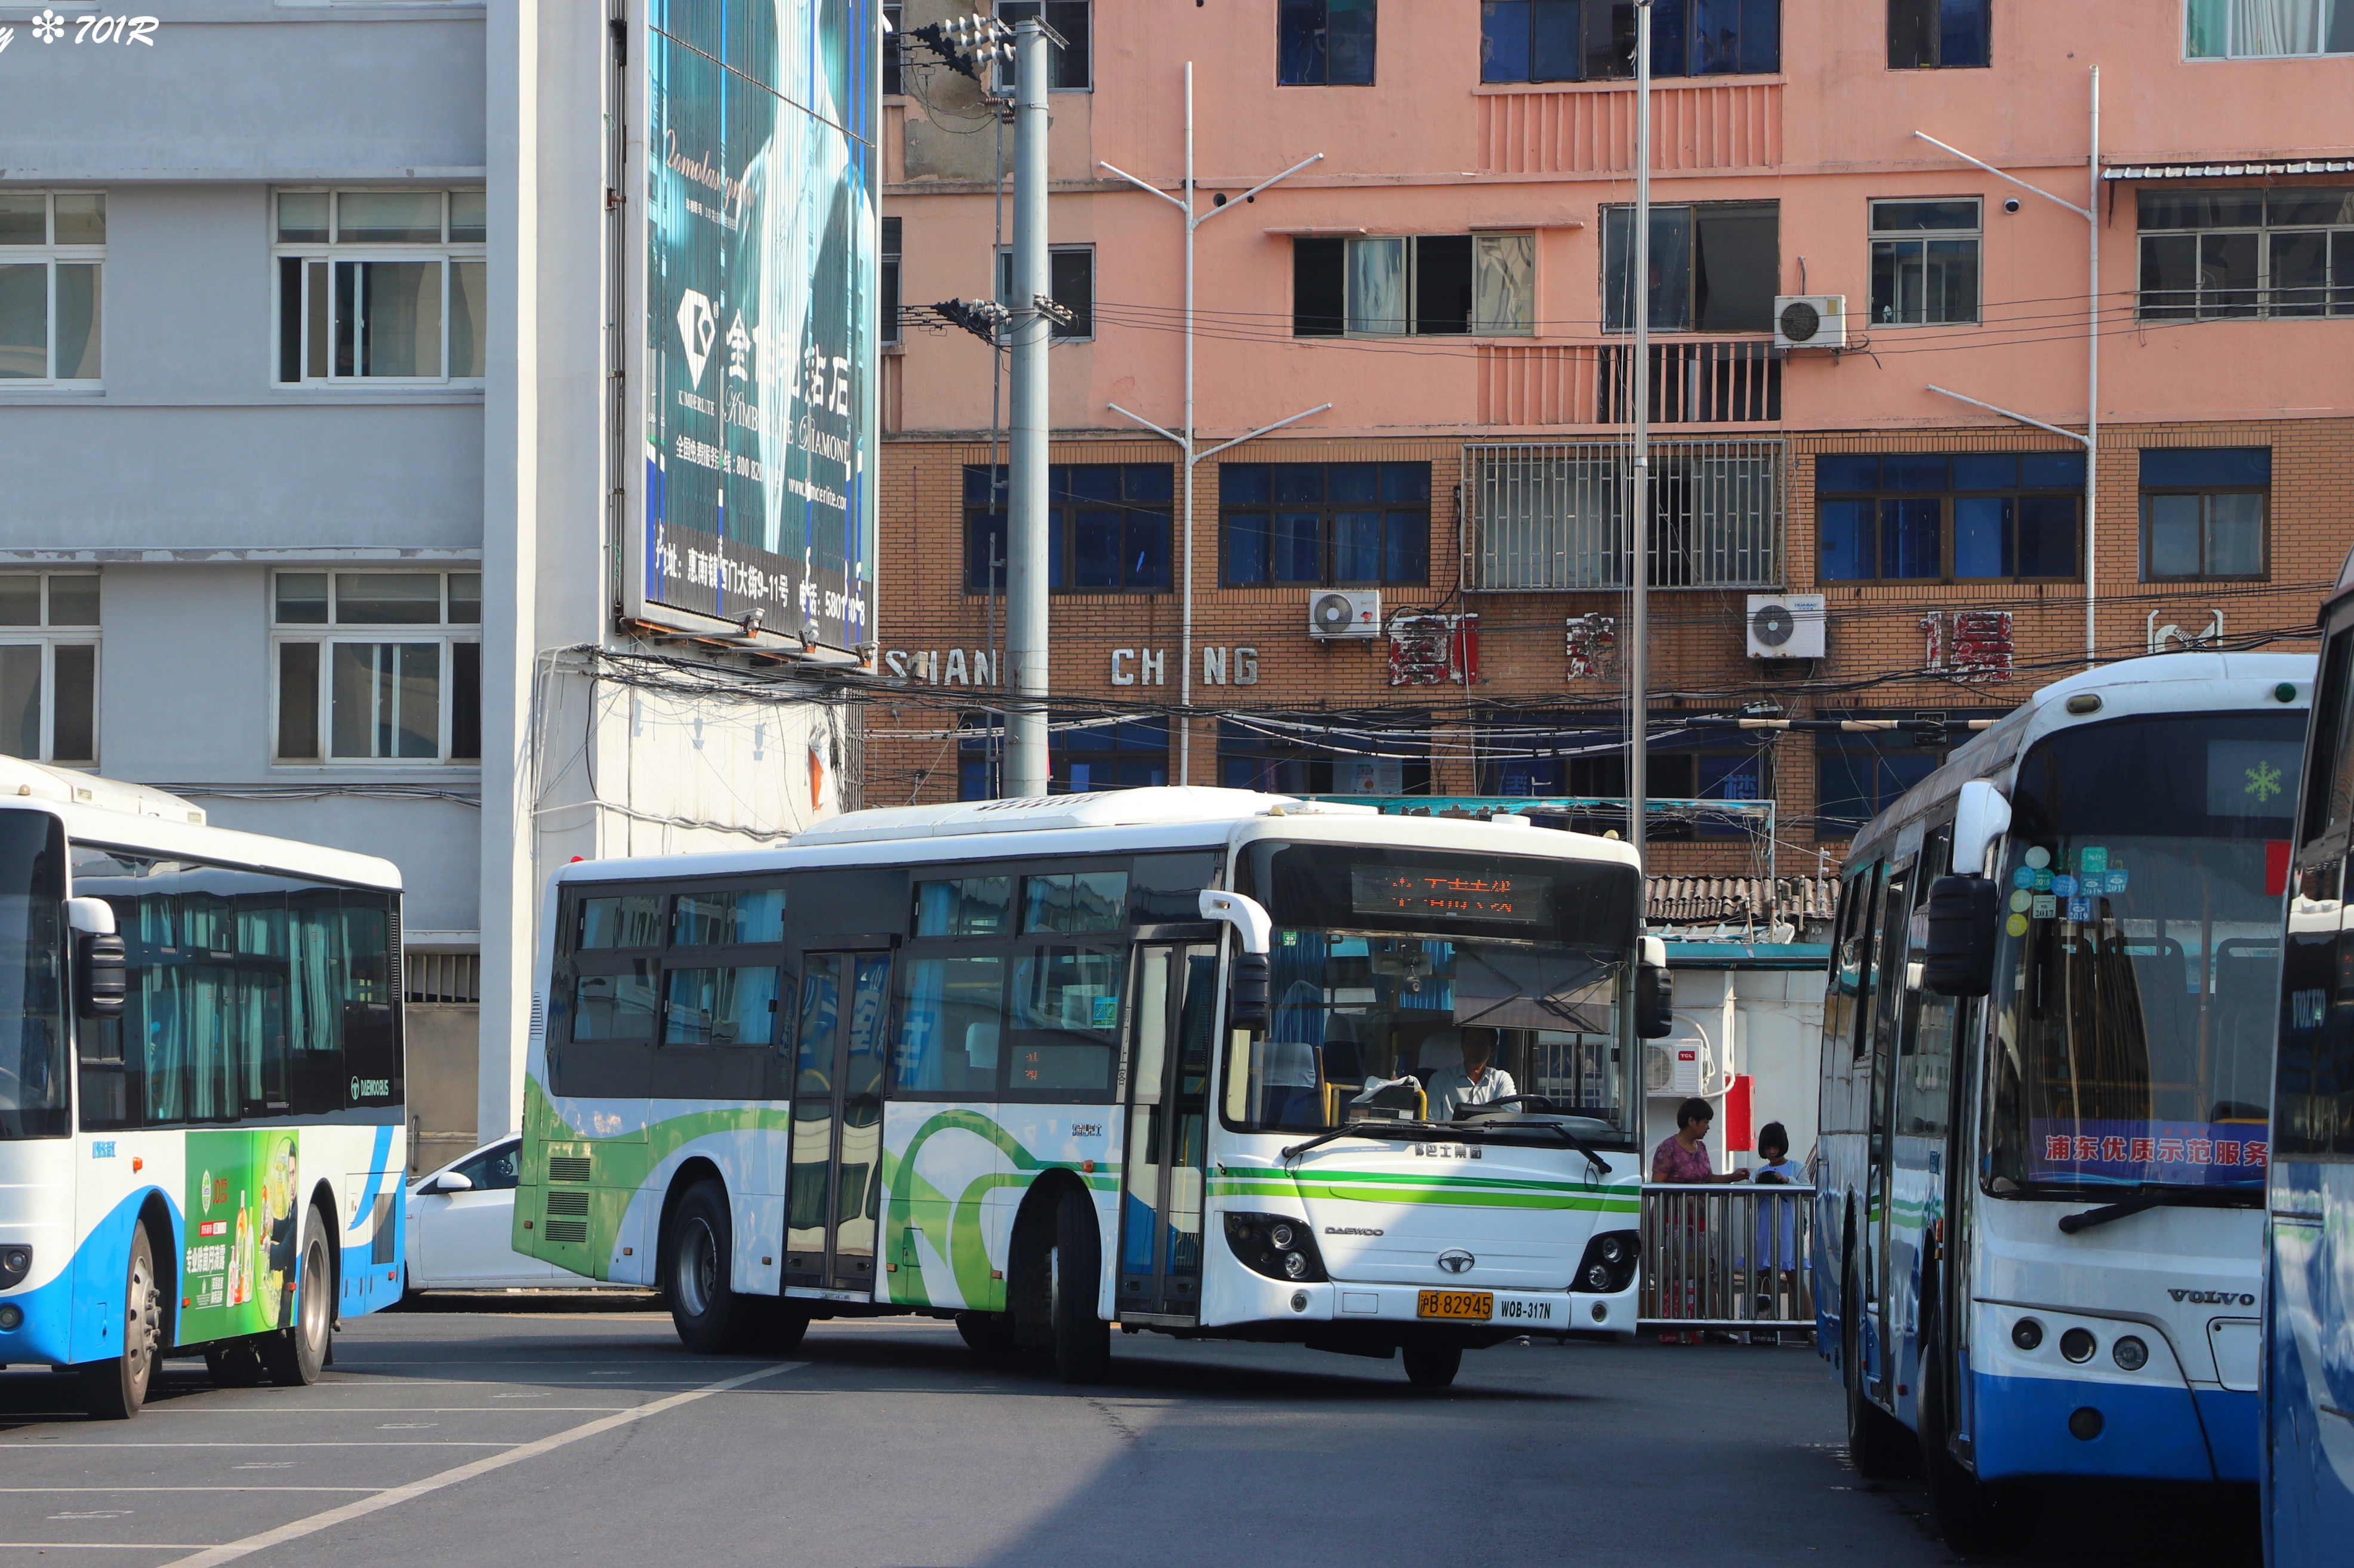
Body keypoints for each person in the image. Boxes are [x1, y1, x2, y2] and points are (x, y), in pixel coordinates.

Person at [1650, 1098, 1750, 1184]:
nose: (1708, 1127)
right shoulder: (1668, 1148)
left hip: (1698, 1206)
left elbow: (1709, 1178)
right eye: (1705, 1122)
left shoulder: (1701, 1147)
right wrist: (1684, 1198)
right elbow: (1658, 1183)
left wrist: (1732, 1177)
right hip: (1673, 1206)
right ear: (1692, 1121)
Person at [1425, 1027, 1518, 1119]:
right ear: (1463, 1045)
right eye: (1470, 1042)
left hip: (1489, 1133)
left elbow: (1513, 1112)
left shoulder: (1501, 1079)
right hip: (1449, 1134)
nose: (1475, 1048)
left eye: (1482, 1043)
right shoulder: (1441, 1079)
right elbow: (1430, 1121)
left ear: (1492, 1050)